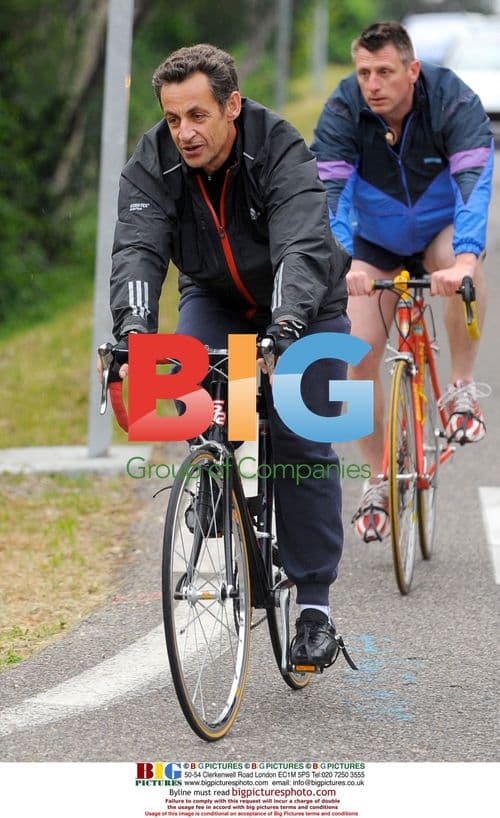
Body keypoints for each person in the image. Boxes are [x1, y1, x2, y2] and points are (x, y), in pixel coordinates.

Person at [104, 44, 352, 666]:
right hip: (214, 297)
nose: (184, 132)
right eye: (172, 118)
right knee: (196, 387)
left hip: (306, 303)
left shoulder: (280, 148)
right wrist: (133, 335)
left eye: (197, 116)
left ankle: (315, 607)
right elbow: (138, 250)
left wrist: (287, 325)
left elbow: (300, 245)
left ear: (232, 106)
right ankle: (218, 474)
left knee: (302, 439)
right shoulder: (153, 161)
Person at [311, 21, 492, 543]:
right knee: (359, 349)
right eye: (364, 72)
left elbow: (473, 183)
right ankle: (377, 478)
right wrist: (342, 263)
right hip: (374, 241)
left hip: (439, 231)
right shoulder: (344, 108)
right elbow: (330, 194)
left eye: (385, 71)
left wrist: (464, 259)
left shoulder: (453, 99)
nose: (373, 84)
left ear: (412, 70)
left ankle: (459, 387)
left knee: (461, 269)